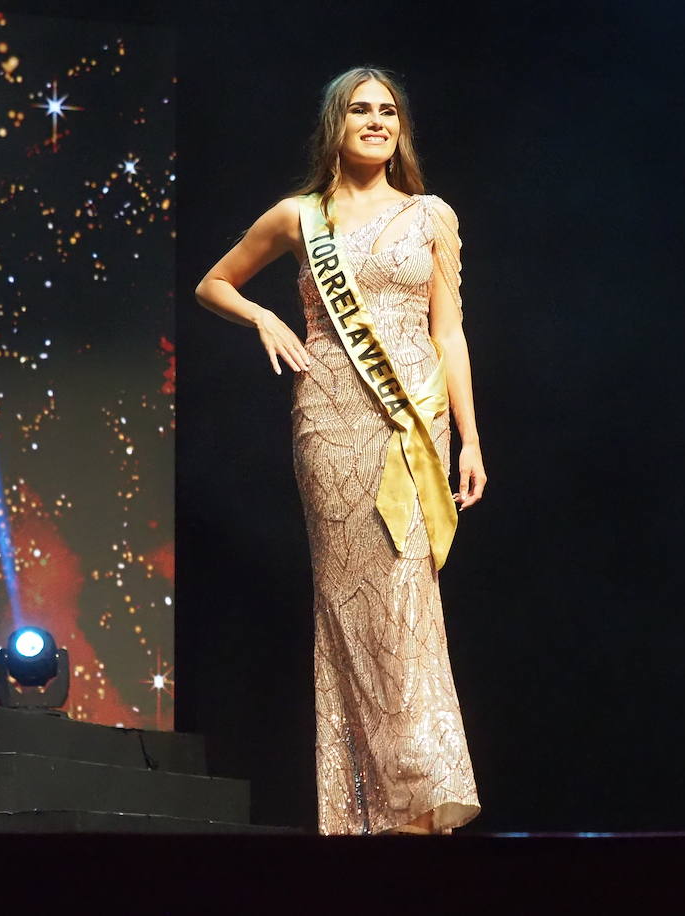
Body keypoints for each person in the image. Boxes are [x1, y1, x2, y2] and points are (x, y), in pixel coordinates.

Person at [195, 67, 482, 835]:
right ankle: (372, 809)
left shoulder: (431, 215)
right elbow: (213, 283)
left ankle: (419, 792)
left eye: (389, 110)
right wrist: (264, 318)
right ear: (336, 124)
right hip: (329, 420)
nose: (377, 120)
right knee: (350, 605)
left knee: (406, 600)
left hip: (413, 423)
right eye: (361, 109)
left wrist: (472, 439)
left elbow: (447, 332)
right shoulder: (299, 216)